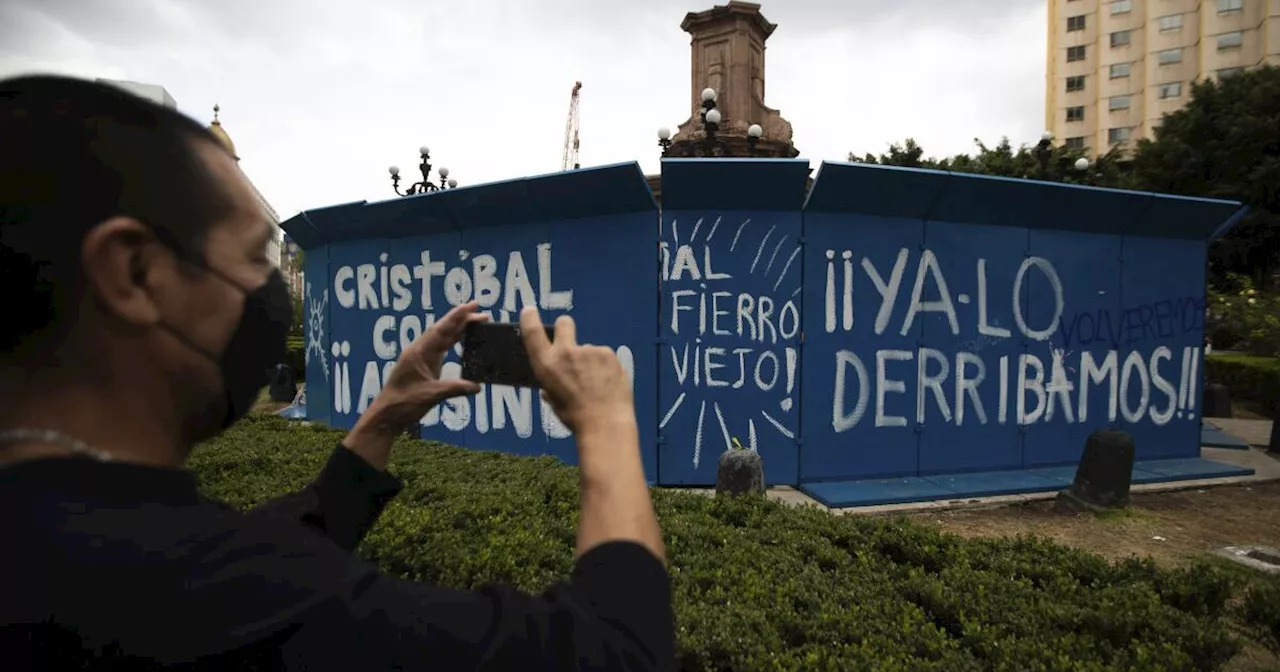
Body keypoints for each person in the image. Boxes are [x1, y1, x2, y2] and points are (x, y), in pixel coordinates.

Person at [0, 75, 674, 670]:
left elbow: (260, 552)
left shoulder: (59, 539)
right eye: (249, 257)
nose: (268, 289)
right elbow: (618, 649)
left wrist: (377, 424)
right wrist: (608, 422)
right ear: (134, 272)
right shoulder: (193, 591)